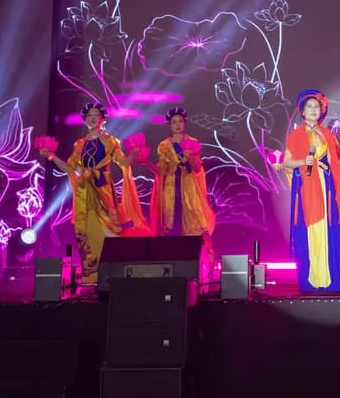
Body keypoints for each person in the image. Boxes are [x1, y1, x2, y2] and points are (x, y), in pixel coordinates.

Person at [38, 102, 144, 281]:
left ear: (103, 119)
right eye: (89, 116)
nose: (92, 118)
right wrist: (51, 156)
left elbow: (124, 163)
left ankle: (113, 273)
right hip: (84, 192)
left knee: (108, 229)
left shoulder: (111, 141)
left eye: (96, 115)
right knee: (86, 230)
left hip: (103, 190)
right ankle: (92, 276)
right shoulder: (79, 144)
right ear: (85, 120)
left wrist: (134, 153)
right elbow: (70, 169)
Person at [282, 90, 340, 292]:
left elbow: (333, 163)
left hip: (327, 187)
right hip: (308, 187)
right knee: (312, 226)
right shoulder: (296, 135)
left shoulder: (327, 134)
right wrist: (303, 161)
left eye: (317, 107)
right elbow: (286, 162)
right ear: (302, 111)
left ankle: (332, 277)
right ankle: (314, 278)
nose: (313, 110)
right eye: (309, 107)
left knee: (329, 226)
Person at [150, 107, 216, 272]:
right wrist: (145, 162)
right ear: (170, 125)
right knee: (170, 224)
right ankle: (171, 264)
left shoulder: (193, 142)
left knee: (197, 223)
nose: (177, 125)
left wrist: (190, 157)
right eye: (174, 122)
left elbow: (197, 168)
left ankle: (204, 264)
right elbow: (161, 171)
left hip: (189, 188)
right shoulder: (164, 145)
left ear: (184, 123)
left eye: (180, 121)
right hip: (171, 190)